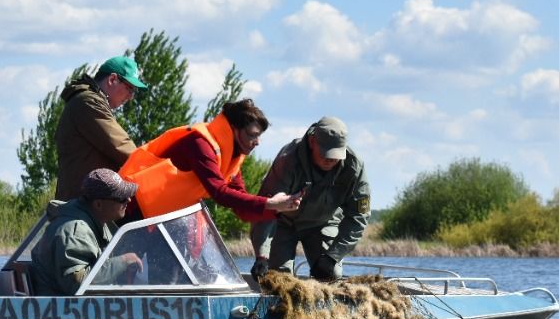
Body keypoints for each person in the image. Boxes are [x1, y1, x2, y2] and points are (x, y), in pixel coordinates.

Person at [118, 98, 304, 221]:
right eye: (252, 135)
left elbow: (241, 208)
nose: (257, 142)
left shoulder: (230, 157)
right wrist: (269, 203)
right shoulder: (200, 143)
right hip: (134, 211)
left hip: (160, 219)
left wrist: (279, 207)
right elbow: (219, 192)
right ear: (233, 128)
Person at [250, 116, 371, 281]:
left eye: (336, 156)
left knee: (331, 274)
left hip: (323, 224)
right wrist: (262, 256)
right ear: (312, 141)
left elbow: (358, 218)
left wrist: (332, 257)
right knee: (278, 278)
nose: (330, 160)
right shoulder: (288, 159)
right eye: (326, 154)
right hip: (283, 224)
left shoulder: (354, 168)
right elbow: (266, 207)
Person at [29, 169, 144, 295]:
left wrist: (120, 269)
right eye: (121, 197)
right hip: (59, 311)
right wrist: (123, 261)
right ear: (99, 204)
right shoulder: (76, 231)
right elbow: (78, 285)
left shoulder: (93, 221)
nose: (128, 200)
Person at [54, 55, 149, 201]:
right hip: (83, 207)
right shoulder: (89, 102)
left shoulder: (87, 101)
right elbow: (123, 148)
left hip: (87, 202)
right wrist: (155, 166)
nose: (130, 96)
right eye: (130, 88)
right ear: (112, 79)